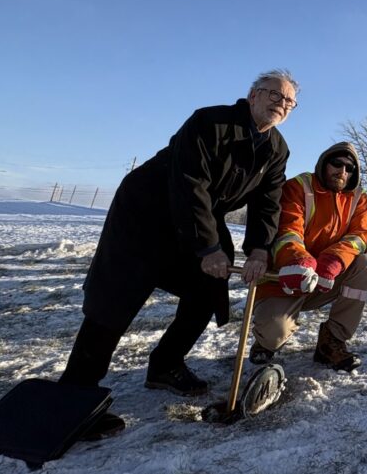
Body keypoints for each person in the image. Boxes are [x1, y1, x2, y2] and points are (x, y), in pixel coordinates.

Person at [59, 70, 295, 439]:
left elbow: (268, 203)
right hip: (146, 213)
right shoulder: (209, 122)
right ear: (252, 96)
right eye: (273, 95)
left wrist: (259, 250)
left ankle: (166, 366)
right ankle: (75, 393)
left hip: (198, 218)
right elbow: (190, 184)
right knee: (116, 299)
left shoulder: (276, 149)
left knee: (208, 290)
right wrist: (208, 247)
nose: (280, 104)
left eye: (288, 102)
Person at [249, 142, 367, 371]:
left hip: (326, 279)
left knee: (366, 264)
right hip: (285, 278)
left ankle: (332, 340)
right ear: (323, 163)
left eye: (350, 168)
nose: (342, 171)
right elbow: (288, 231)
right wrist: (298, 261)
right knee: (272, 334)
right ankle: (264, 342)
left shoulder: (360, 198)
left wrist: (334, 260)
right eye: (336, 163)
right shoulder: (298, 187)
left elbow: (360, 236)